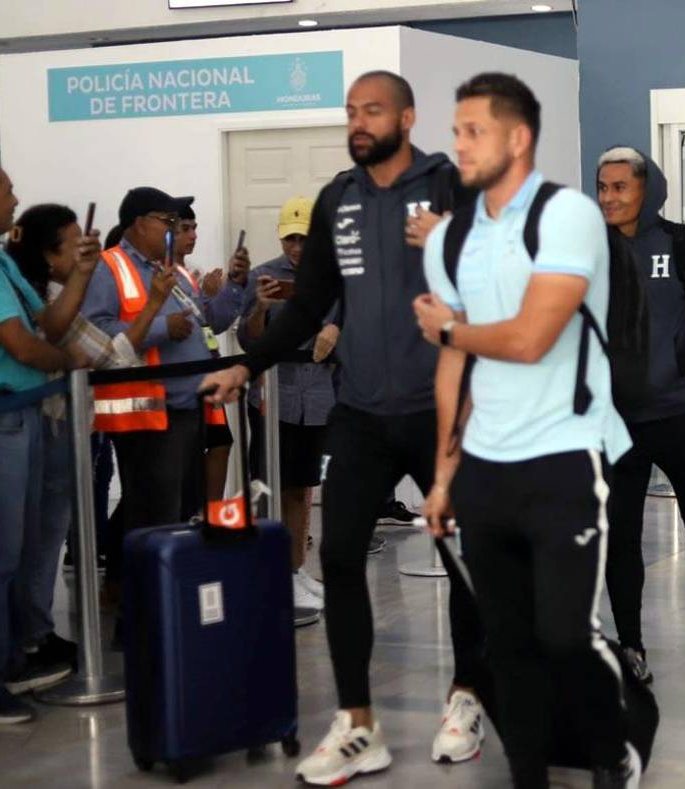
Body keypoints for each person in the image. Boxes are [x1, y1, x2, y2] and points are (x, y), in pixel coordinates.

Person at [200, 70, 486, 785]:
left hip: (443, 408)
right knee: (339, 555)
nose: (359, 122)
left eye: (373, 110)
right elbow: (310, 303)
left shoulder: (452, 186)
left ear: (407, 118)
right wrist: (249, 362)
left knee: (464, 558)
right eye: (352, 111)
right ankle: (359, 723)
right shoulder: (339, 199)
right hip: (359, 411)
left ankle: (467, 698)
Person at [416, 72, 640, 789]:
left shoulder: (567, 216)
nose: (459, 144)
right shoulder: (450, 240)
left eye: (473, 131)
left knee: (565, 635)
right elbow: (454, 370)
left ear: (518, 139)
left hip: (565, 456)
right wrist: (443, 477)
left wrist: (450, 328)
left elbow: (530, 338)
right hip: (484, 466)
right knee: (507, 644)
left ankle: (612, 748)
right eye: (456, 131)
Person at [5, 203, 174, 678]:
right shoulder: (50, 299)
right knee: (37, 538)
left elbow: (101, 354)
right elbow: (105, 353)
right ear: (48, 253)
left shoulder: (49, 293)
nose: (87, 252)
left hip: (61, 427)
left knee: (39, 537)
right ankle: (29, 637)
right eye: (74, 243)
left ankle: (33, 632)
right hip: (49, 426)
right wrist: (151, 311)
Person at [595, 146, 685, 681]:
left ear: (647, 189)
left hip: (680, 415)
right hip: (617, 423)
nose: (609, 197)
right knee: (620, 537)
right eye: (602, 187)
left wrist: (679, 362)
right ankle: (631, 644)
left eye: (620, 187)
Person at [0, 155, 95, 724]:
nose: (16, 201)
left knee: (17, 549)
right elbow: (20, 344)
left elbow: (50, 324)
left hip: (23, 414)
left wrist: (81, 274)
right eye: (8, 191)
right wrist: (68, 362)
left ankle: (11, 658)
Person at [80, 187, 246, 593]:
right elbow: (96, 332)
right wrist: (161, 327)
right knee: (154, 515)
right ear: (139, 223)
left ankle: (160, 598)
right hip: (149, 413)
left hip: (189, 408)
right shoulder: (109, 267)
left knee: (178, 510)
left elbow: (206, 323)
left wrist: (235, 287)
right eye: (167, 222)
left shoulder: (174, 271)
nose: (174, 231)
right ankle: (143, 607)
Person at [239, 195, 337, 613]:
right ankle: (268, 572)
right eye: (290, 239)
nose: (296, 247)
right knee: (268, 488)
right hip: (272, 398)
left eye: (304, 238)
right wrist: (260, 309)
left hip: (317, 398)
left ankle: (295, 570)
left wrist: (336, 329)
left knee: (301, 487)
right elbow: (249, 341)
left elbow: (350, 323)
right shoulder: (262, 276)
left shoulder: (335, 278)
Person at [172, 204, 237, 505]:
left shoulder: (193, 271)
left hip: (206, 372)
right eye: (185, 229)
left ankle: (212, 514)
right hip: (180, 379)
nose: (193, 235)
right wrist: (207, 296)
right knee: (183, 455)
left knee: (221, 442)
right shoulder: (159, 273)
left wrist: (227, 290)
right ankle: (190, 514)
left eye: (194, 228)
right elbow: (184, 324)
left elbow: (213, 325)